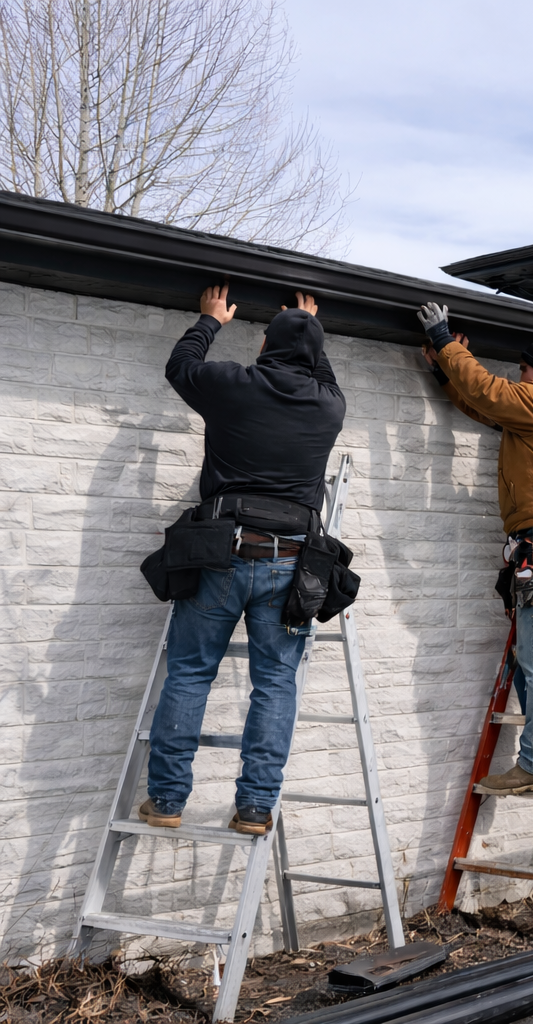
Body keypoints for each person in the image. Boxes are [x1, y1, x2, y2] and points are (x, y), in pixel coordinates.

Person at [139, 285, 346, 835]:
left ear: (263, 345)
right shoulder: (329, 407)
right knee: (276, 684)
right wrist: (307, 326)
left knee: (188, 673)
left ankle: (165, 801)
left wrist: (209, 321)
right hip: (290, 564)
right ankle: (254, 808)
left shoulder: (234, 384)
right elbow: (321, 373)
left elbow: (181, 367)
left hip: (220, 555)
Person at [417, 303, 533, 795]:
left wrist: (444, 339)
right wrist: (444, 373)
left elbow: (490, 390)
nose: (517, 378)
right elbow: (488, 407)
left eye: (521, 371)